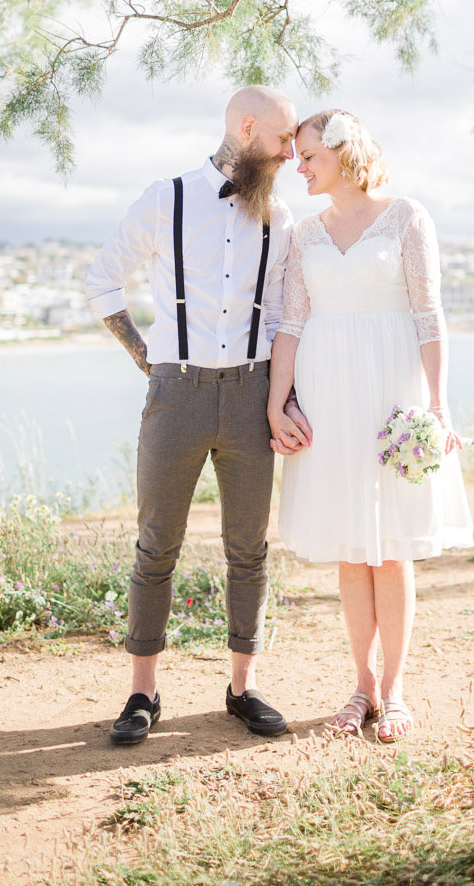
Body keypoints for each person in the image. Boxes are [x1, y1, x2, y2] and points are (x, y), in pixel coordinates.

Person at [86, 86, 313, 747]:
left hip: (251, 395)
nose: (290, 152)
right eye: (282, 138)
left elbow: (277, 314)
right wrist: (145, 356)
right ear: (246, 127)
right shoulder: (166, 198)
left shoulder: (284, 218)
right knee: (156, 546)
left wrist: (282, 395)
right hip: (176, 395)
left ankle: (241, 689)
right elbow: (104, 279)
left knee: (250, 549)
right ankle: (142, 692)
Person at [267, 108, 474, 742]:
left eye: (307, 156)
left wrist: (437, 408)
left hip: (390, 394)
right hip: (327, 397)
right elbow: (292, 325)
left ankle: (395, 689)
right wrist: (279, 404)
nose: (296, 167)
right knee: (351, 549)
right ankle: (360, 686)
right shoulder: (304, 234)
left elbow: (428, 316)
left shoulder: (407, 217)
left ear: (341, 152)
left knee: (390, 547)